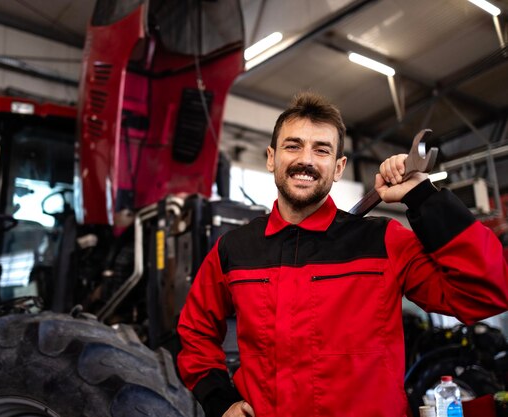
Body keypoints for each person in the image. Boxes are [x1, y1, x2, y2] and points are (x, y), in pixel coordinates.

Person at [176, 92, 508, 417]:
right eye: (293, 146)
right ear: (271, 157)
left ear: (338, 168)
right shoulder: (234, 249)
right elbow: (194, 334)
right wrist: (220, 402)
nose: (305, 159)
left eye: (321, 150)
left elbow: (485, 293)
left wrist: (423, 197)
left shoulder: (383, 241)